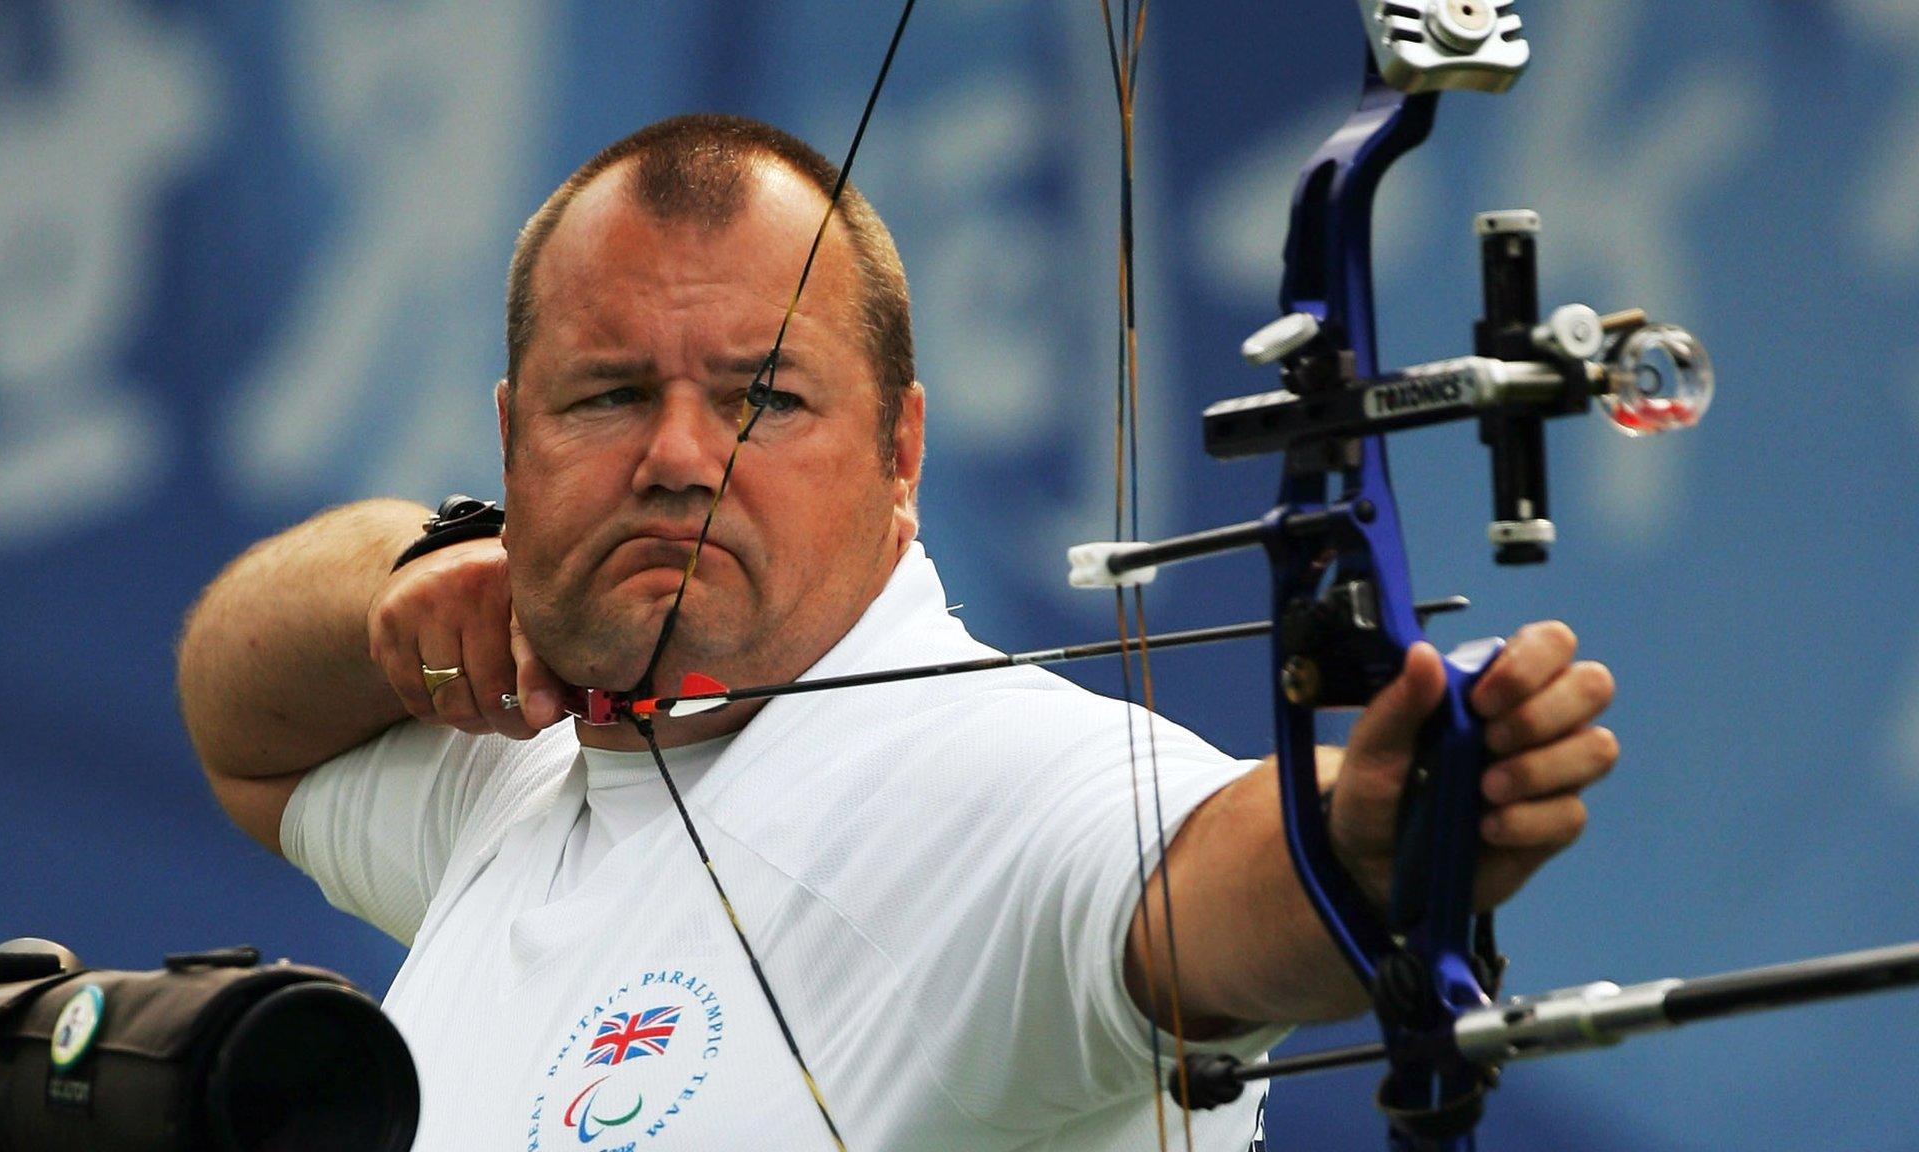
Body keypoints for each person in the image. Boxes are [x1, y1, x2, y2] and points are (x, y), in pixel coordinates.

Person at [176, 114, 1617, 1151]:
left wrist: (1365, 853)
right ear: (514, 437)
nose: (681, 453)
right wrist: (426, 562)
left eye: (764, 400)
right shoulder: (520, 765)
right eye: (606, 397)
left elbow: (1206, 900)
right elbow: (237, 722)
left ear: (901, 450)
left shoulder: (1002, 783)